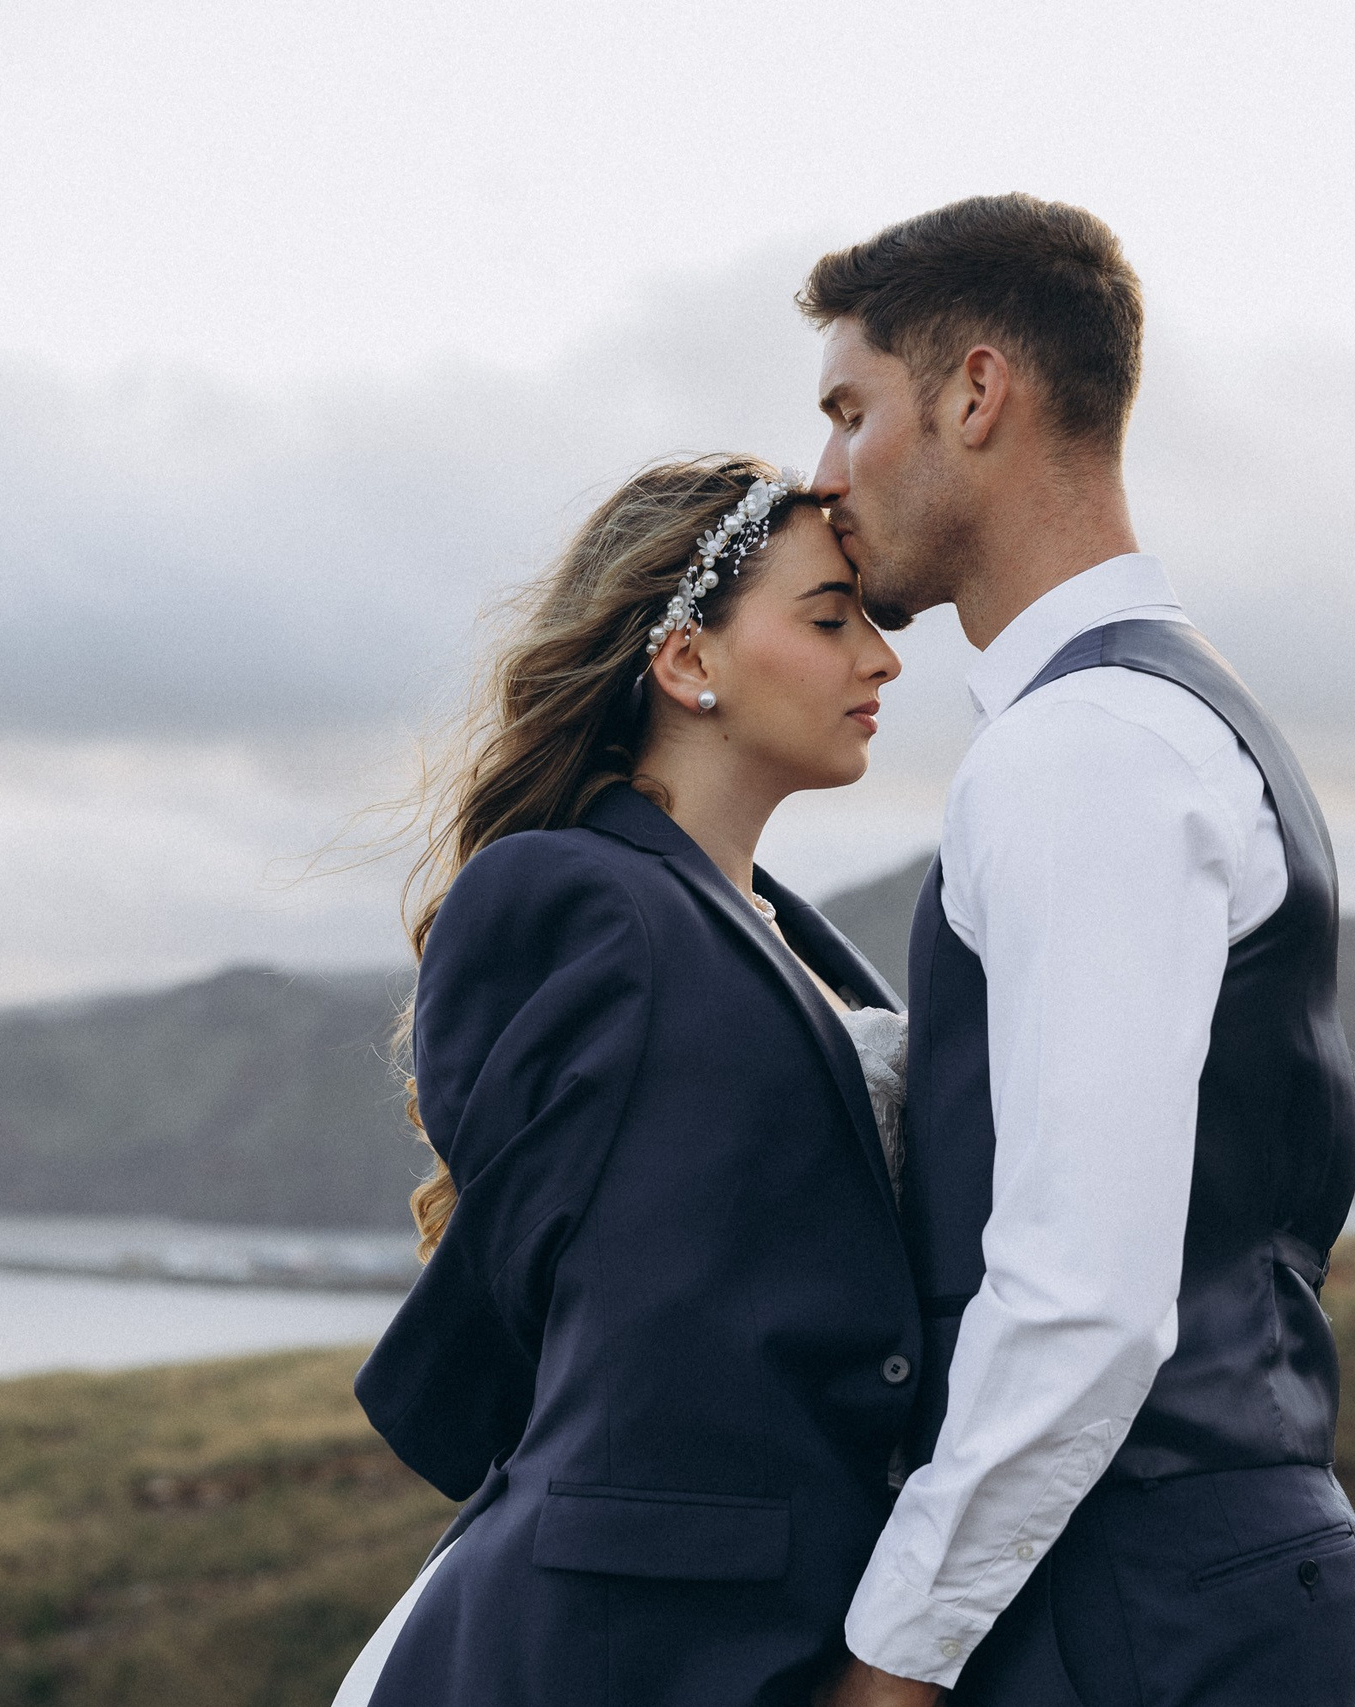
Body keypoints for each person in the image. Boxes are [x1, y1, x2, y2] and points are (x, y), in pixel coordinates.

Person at [807, 196, 1355, 1707]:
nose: (822, 476)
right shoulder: (1168, 714)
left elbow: (1082, 1286)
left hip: (1126, 1597)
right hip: (1188, 1569)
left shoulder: (1089, 750)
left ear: (976, 393)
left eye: (852, 411)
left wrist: (894, 1653)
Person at [336, 456, 921, 1707]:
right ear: (686, 660)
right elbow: (533, 1263)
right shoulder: (564, 894)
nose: (880, 659)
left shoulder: (788, 934)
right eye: (829, 618)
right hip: (613, 1642)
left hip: (796, 1623)